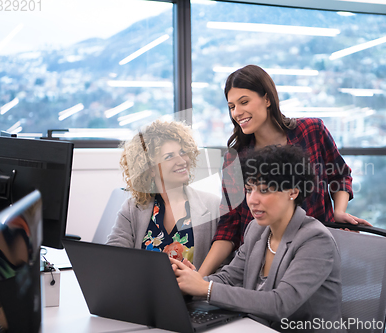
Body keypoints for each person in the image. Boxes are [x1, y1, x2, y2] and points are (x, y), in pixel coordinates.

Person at [198, 64, 370, 276]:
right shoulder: (236, 159)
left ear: (267, 99)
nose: (237, 112)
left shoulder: (311, 131)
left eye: (244, 102)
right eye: (232, 106)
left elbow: (340, 175)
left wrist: (339, 211)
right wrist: (199, 278)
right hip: (259, 262)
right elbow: (229, 226)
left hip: (311, 254)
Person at [171, 145, 344, 333]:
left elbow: (280, 304)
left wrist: (206, 288)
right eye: (249, 189)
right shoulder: (256, 229)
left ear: (293, 192)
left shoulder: (316, 240)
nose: (252, 200)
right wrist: (189, 282)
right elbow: (229, 277)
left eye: (264, 190)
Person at [106, 120, 222, 270]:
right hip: (143, 292)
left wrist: (199, 283)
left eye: (182, 153)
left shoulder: (213, 206)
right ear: (150, 168)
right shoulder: (133, 208)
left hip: (191, 293)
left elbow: (227, 268)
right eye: (169, 157)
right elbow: (112, 256)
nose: (181, 161)